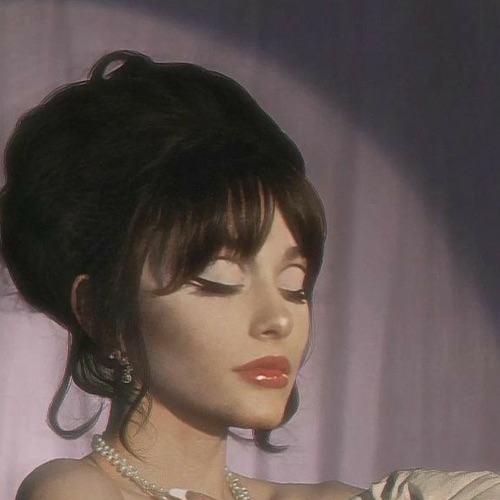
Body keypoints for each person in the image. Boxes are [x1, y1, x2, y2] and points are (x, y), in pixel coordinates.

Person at [1, 50, 362, 500]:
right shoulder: (75, 491)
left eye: (294, 285)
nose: (279, 320)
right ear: (100, 312)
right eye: (220, 280)